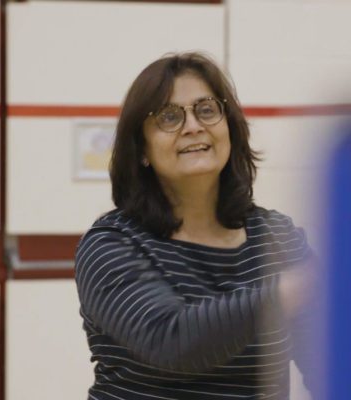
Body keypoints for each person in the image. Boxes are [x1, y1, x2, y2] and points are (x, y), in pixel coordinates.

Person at [75, 52, 318, 400]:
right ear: (142, 149)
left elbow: (326, 357)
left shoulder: (277, 237)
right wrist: (286, 293)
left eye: (206, 110)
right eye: (169, 117)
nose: (193, 126)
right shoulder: (111, 244)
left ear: (229, 129)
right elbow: (170, 343)